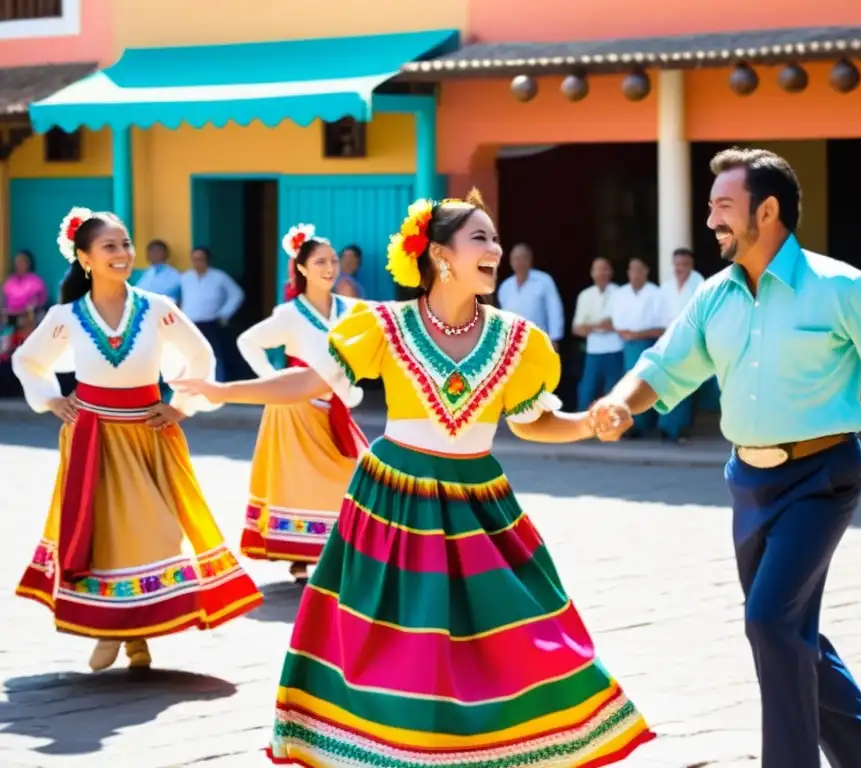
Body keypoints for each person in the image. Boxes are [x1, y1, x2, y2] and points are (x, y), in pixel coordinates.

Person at [172, 191, 653, 768]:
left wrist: (587, 424)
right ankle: (393, 752)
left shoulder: (517, 339)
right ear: (441, 256)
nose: (496, 250)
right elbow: (307, 384)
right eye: (482, 238)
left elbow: (534, 422)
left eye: (495, 239)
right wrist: (225, 391)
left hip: (479, 506)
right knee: (398, 643)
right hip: (393, 503)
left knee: (513, 637)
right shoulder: (382, 325)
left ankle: (495, 749)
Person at [590, 148, 861, 768]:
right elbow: (663, 367)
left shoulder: (841, 288)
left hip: (822, 476)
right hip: (748, 481)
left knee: (771, 622)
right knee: (783, 623)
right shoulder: (714, 296)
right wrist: (619, 403)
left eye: (725, 206)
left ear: (767, 211)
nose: (712, 220)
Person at [11, 207, 262, 673]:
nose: (123, 253)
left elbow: (199, 355)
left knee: (155, 533)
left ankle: (138, 628)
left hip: (148, 435)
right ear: (84, 258)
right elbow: (28, 361)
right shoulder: (66, 316)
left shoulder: (157, 309)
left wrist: (180, 405)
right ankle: (122, 635)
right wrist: (51, 401)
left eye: (125, 244)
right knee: (102, 534)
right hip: (93, 439)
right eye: (110, 246)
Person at [235, 224, 368, 583]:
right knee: (300, 484)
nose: (330, 267)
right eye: (321, 261)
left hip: (335, 405)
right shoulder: (289, 314)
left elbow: (389, 323)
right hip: (295, 411)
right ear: (303, 268)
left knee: (353, 476)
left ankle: (333, 550)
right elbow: (248, 341)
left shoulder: (352, 310)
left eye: (334, 260)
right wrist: (270, 382)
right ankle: (300, 555)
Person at [609, 257, 663, 437]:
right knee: (627, 385)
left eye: (639, 270)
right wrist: (627, 334)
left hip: (648, 343)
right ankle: (629, 425)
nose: (635, 274)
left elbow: (661, 325)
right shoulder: (621, 293)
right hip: (627, 345)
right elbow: (616, 321)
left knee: (646, 384)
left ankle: (645, 426)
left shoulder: (655, 292)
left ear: (646, 272)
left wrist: (639, 334)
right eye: (631, 270)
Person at [658, 247, 707, 441]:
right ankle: (666, 427)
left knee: (685, 386)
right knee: (666, 384)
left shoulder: (700, 284)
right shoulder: (666, 287)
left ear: (691, 265)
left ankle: (681, 429)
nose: (680, 268)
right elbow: (660, 317)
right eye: (677, 264)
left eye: (684, 264)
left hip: (690, 342)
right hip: (668, 342)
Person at [180, 246, 245, 381]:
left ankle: (218, 384)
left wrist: (225, 313)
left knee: (214, 354)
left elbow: (237, 294)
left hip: (211, 322)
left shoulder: (219, 276)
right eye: (195, 259)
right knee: (189, 353)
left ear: (208, 260)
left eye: (201, 259)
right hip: (189, 322)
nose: (198, 262)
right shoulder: (185, 277)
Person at [572, 256, 622, 408]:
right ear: (592, 273)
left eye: (605, 269)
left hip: (615, 349)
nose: (601, 273)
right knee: (586, 391)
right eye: (598, 269)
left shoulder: (620, 293)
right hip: (593, 351)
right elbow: (577, 328)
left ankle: (614, 429)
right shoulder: (585, 295)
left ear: (611, 272)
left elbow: (623, 324)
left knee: (614, 392)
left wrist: (592, 326)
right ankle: (583, 427)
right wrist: (601, 325)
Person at [497, 242, 564, 347]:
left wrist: (554, 338)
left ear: (529, 260)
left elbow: (554, 311)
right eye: (515, 259)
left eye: (522, 258)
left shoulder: (544, 281)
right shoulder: (505, 287)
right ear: (510, 262)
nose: (518, 262)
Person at [3, 250, 48, 330]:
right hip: (9, 315)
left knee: (30, 318)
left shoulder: (35, 281)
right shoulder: (10, 281)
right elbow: (4, 302)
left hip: (27, 315)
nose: (18, 265)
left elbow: (36, 303)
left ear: (28, 264)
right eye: (17, 262)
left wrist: (23, 311)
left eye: (22, 262)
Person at [134, 239, 182, 304]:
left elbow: (163, 294)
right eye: (151, 251)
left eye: (157, 251)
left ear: (166, 254)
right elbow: (138, 291)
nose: (154, 254)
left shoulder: (173, 275)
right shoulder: (148, 272)